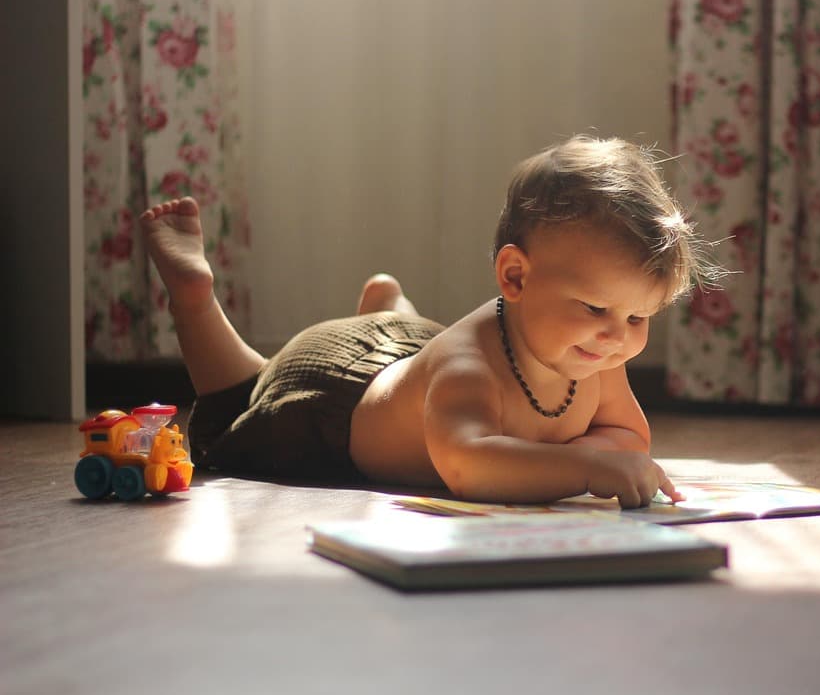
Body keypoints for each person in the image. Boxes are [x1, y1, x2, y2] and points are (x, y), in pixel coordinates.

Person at [140, 135, 721, 508]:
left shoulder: (597, 352)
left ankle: (390, 310)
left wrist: (612, 451)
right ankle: (195, 298)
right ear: (514, 278)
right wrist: (585, 464)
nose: (618, 335)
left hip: (413, 356)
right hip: (330, 398)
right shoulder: (468, 367)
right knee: (242, 399)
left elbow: (628, 436)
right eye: (597, 308)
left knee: (419, 346)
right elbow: (469, 466)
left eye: (639, 316)